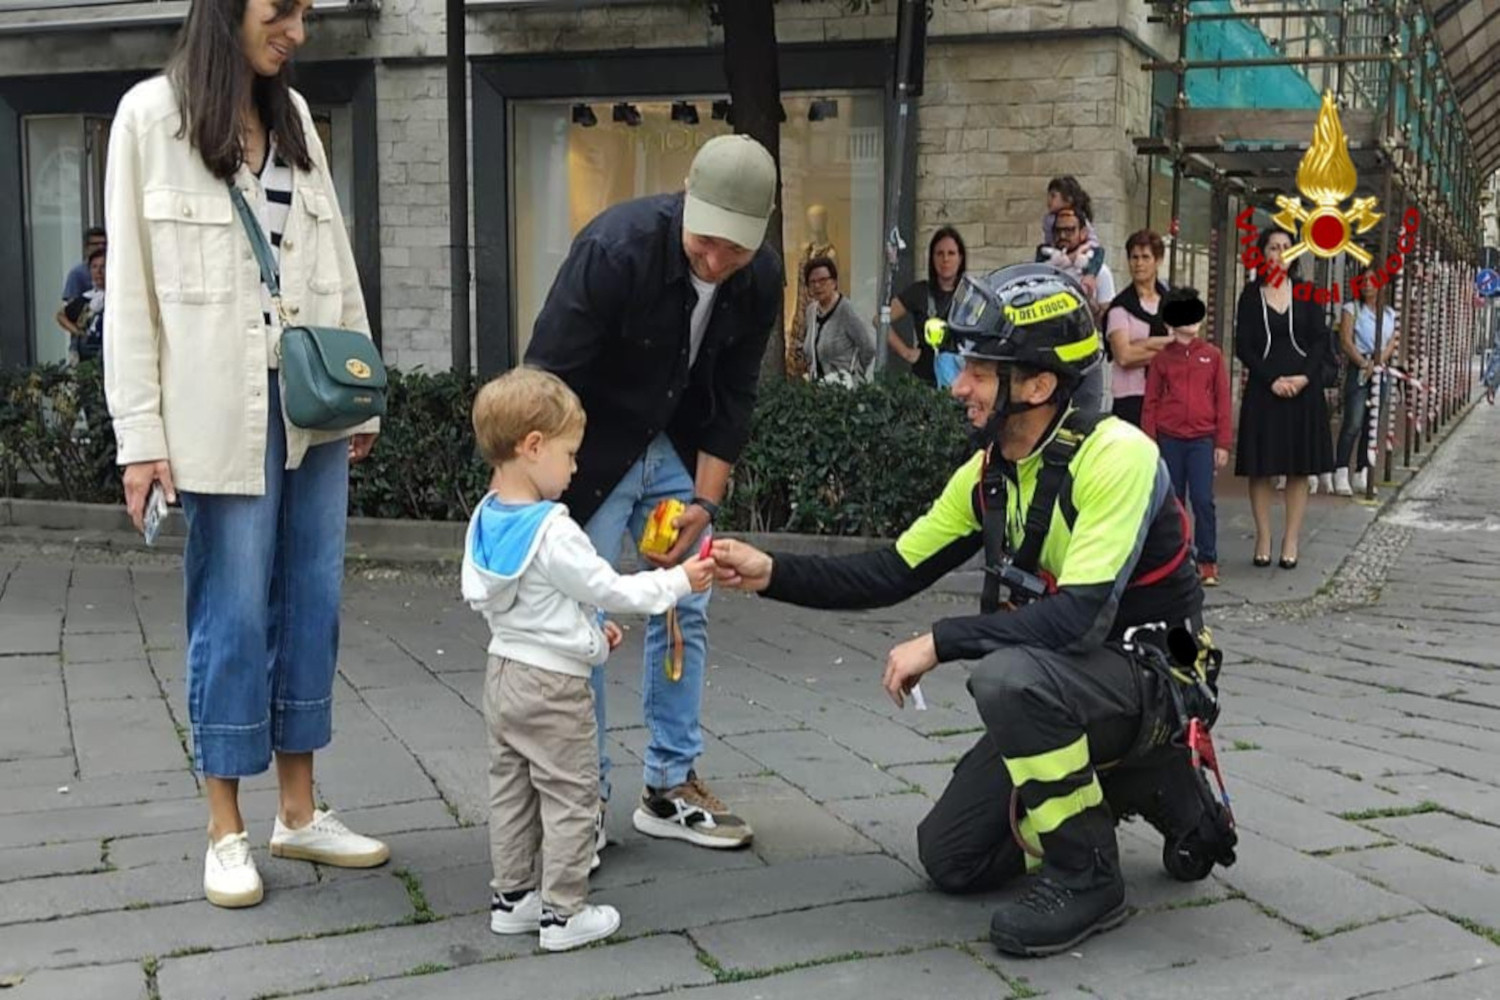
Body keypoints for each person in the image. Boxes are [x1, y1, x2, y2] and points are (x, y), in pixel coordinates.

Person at [713, 264, 1236, 958]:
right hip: (1079, 678)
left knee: (1007, 678)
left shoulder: (1118, 456)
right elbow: (891, 569)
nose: (959, 385)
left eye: (982, 372)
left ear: (1040, 385)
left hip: (1158, 674)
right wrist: (770, 571)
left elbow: (1077, 619)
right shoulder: (991, 471)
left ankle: (1089, 875)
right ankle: (1138, 783)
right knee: (951, 858)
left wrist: (942, 639)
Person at [104, 0, 385, 909]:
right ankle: (223, 825)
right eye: (282, 9)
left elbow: (332, 253)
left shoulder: (295, 119)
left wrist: (361, 384)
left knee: (314, 601)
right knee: (229, 611)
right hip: (214, 411)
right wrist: (139, 439)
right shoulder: (151, 118)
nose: (297, 30)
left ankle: (297, 814)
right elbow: (133, 291)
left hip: (310, 404)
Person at [525, 134, 780, 855]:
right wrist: (539, 498)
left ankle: (668, 784)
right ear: (686, 202)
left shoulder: (759, 276)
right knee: (585, 621)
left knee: (686, 603)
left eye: (735, 249)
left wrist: (705, 504)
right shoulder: (616, 249)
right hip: (591, 449)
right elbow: (547, 377)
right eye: (705, 241)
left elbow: (735, 393)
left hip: (670, 444)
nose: (715, 260)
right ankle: (583, 801)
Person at [463, 368, 716, 952]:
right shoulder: (555, 530)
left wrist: (584, 630)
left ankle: (513, 899)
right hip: (554, 688)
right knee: (571, 795)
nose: (577, 468)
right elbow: (611, 589)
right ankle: (563, 912)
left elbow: (514, 599)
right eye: (570, 454)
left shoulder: (484, 518)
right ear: (532, 447)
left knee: (511, 791)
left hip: (502, 675)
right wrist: (677, 581)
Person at [1233, 228, 1334, 569]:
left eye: (1285, 248)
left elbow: (1321, 340)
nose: (1279, 253)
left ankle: (1291, 539)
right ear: (1263, 254)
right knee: (1261, 469)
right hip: (1265, 390)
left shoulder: (1308, 294)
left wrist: (1305, 376)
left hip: (1302, 391)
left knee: (1298, 468)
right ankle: (1263, 537)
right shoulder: (1250, 295)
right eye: (1273, 247)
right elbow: (1243, 345)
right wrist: (1271, 380)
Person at [1141, 288, 1231, 587]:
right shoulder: (1161, 360)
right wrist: (1149, 440)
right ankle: (1177, 559)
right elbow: (1150, 402)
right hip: (1170, 439)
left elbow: (1222, 400)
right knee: (1173, 502)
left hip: (1202, 440)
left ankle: (1207, 559)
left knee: (1204, 500)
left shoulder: (1213, 356)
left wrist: (1222, 442)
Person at [1332, 267, 1399, 497]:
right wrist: (1364, 363)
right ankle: (1341, 470)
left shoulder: (1389, 313)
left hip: (1380, 370)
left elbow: (1392, 341)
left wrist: (1379, 361)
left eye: (1372, 280)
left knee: (1373, 422)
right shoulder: (1352, 309)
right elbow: (1346, 340)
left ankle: (1362, 470)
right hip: (1359, 368)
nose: (1368, 284)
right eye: (1364, 280)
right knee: (1354, 421)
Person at [1104, 229, 1172, 426]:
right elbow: (1124, 356)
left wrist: (1141, 345)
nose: (1139, 263)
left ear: (1158, 261)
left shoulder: (1172, 303)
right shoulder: (1120, 307)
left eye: (1145, 257)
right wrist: (1166, 348)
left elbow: (1186, 346)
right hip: (1131, 398)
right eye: (1134, 257)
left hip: (1167, 395)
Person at [888, 226, 966, 387]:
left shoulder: (971, 294)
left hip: (963, 384)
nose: (945, 259)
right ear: (932, 258)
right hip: (925, 384)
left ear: (960, 258)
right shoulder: (919, 292)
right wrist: (906, 352)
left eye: (951, 253)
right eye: (939, 253)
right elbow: (880, 320)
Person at [801, 256, 875, 385]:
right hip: (818, 389)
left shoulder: (846, 310)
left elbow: (868, 346)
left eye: (823, 280)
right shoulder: (811, 311)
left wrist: (856, 373)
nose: (817, 286)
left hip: (842, 389)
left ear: (834, 282)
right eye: (812, 282)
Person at [787, 204, 838, 379]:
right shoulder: (805, 250)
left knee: (815, 362)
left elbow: (835, 289)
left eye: (818, 218)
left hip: (818, 314)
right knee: (794, 366)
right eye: (811, 219)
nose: (815, 223)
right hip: (800, 314)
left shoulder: (830, 254)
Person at [1040, 177, 1105, 298]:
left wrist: (1080, 252)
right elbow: (1048, 240)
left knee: (1099, 252)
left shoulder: (1079, 217)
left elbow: (1093, 242)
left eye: (1053, 196)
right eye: (1048, 196)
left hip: (1087, 248)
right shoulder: (1049, 219)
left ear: (1068, 199)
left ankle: (1089, 276)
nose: (1048, 200)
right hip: (1056, 251)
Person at [57, 248, 107, 365]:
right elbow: (61, 315)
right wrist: (78, 332)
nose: (98, 271)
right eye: (94, 267)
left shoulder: (118, 297)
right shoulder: (88, 297)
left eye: (103, 267)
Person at [58, 226, 107, 328]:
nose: (101, 247)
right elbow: (66, 314)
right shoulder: (77, 273)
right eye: (96, 244)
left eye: (104, 244)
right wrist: (81, 333)